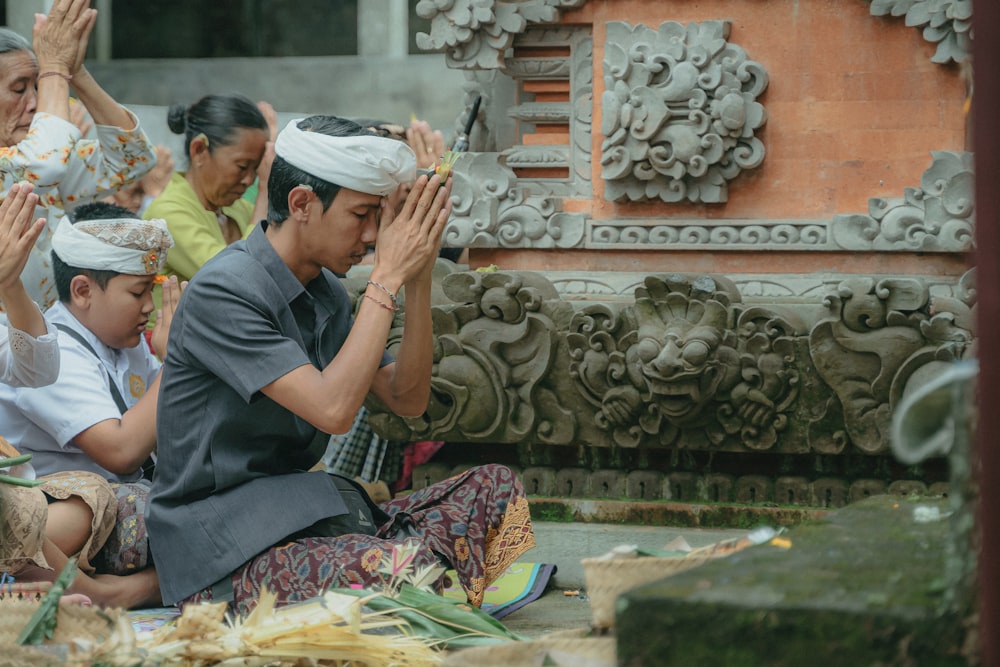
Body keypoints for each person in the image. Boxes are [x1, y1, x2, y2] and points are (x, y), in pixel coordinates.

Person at [147, 115, 535, 615]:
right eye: (361, 215)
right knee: (392, 570)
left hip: (302, 514)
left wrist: (417, 278)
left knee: (495, 487)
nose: (373, 235)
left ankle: (406, 570)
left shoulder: (326, 288)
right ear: (302, 204)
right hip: (221, 545)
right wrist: (387, 276)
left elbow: (408, 399)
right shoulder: (226, 289)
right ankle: (408, 573)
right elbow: (332, 411)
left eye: (379, 217)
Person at [0, 185, 158, 609]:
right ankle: (98, 593)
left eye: (152, 291)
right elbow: (122, 453)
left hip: (44, 510)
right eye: (138, 292)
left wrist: (9, 286)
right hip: (57, 507)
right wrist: (181, 360)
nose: (150, 306)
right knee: (107, 499)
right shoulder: (71, 343)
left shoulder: (126, 343)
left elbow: (34, 367)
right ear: (84, 291)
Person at [0, 0, 158, 315]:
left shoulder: (44, 164)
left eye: (38, 86)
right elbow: (45, 161)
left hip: (50, 349)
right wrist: (54, 68)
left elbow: (134, 159)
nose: (35, 103)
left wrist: (75, 72)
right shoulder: (38, 164)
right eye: (19, 90)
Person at [142, 93, 273, 284]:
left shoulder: (240, 209)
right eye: (243, 166)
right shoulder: (167, 214)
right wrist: (264, 193)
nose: (250, 180)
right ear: (199, 150)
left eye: (257, 169)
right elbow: (236, 279)